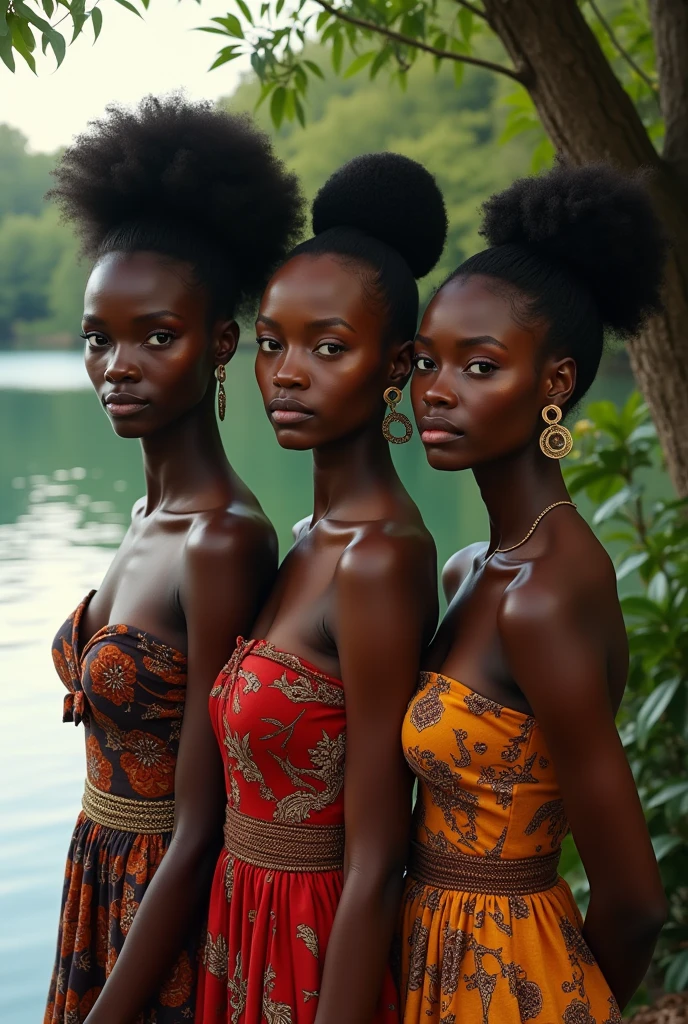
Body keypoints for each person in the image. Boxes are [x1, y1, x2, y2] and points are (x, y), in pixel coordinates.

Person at [44, 95, 304, 1024]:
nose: (119, 364)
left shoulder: (223, 538)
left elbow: (203, 829)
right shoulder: (142, 513)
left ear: (221, 343)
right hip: (98, 880)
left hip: (167, 917)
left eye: (158, 337)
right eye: (98, 338)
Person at [399, 163, 669, 1023]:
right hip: (427, 951)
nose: (437, 389)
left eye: (479, 366)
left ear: (554, 384)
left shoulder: (545, 595)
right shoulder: (475, 565)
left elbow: (635, 903)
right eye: (426, 361)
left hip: (508, 977)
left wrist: (561, 1003)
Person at [195, 152, 447, 1024]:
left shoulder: (379, 558)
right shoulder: (306, 541)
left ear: (397, 364)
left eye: (327, 347)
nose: (287, 372)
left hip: (315, 954)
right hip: (242, 926)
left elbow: (378, 856)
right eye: (271, 344)